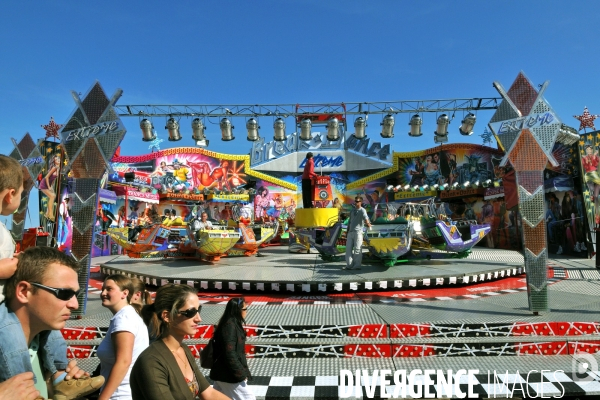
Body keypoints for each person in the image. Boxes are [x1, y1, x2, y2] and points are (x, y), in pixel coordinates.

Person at [0, 246, 104, 399]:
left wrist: (51, 387)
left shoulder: (43, 349)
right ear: (23, 292)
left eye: (76, 294)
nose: (75, 304)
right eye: (64, 293)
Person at [131, 284, 229, 400]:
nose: (198, 319)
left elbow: (208, 393)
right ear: (167, 316)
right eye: (191, 312)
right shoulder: (151, 361)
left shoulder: (183, 349)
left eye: (199, 310)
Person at [97, 274, 149, 400]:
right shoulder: (128, 316)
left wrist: (103, 398)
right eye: (102, 289)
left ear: (124, 293)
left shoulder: (123, 319)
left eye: (109, 289)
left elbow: (124, 362)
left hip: (120, 394)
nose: (103, 293)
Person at [210, 298, 254, 400]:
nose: (246, 311)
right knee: (248, 398)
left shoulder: (231, 323)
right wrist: (241, 373)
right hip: (229, 375)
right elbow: (229, 352)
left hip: (224, 373)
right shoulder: (229, 326)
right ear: (238, 310)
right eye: (245, 309)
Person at [344, 196, 371, 270]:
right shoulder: (352, 211)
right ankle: (349, 265)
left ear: (361, 202)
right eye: (355, 201)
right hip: (350, 232)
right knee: (348, 249)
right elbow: (350, 221)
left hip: (358, 232)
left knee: (357, 249)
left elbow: (366, 218)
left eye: (357, 201)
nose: (356, 203)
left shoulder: (363, 210)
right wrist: (347, 231)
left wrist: (368, 224)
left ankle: (357, 265)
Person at [39, 154, 61, 221]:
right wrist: (49, 187)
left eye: (58, 159)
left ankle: (46, 214)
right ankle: (51, 215)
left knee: (53, 197)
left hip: (49, 184)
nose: (58, 160)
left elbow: (53, 179)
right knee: (52, 196)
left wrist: (51, 186)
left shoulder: (58, 168)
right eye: (56, 160)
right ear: (54, 162)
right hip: (44, 184)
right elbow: (46, 177)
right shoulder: (54, 167)